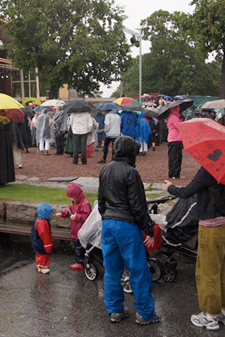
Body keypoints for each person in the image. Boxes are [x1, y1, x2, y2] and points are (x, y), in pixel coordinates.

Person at [165, 168, 225, 331]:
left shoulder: (209, 170)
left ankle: (210, 316)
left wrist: (170, 187)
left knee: (208, 272)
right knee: (224, 271)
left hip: (213, 226)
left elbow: (187, 192)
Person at [98, 136, 160, 326]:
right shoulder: (131, 173)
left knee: (111, 269)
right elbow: (138, 205)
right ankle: (145, 313)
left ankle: (115, 310)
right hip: (126, 225)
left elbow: (101, 200)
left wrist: (106, 216)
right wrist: (148, 228)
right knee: (138, 270)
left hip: (108, 223)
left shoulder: (105, 169)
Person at [55, 182, 92, 270]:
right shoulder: (75, 203)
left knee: (80, 247)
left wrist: (76, 217)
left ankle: (80, 262)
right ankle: (80, 261)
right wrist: (63, 214)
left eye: (71, 197)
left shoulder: (84, 204)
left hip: (82, 231)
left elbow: (87, 217)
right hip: (77, 231)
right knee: (78, 247)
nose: (71, 200)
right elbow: (69, 210)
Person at [31, 203, 54, 274]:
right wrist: (48, 245)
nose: (51, 215)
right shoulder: (43, 222)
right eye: (50, 214)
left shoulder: (39, 220)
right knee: (43, 254)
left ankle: (39, 265)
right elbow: (45, 235)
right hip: (41, 242)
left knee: (39, 253)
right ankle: (42, 266)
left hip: (37, 241)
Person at [167, 106, 183, 179]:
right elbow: (179, 127)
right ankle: (176, 174)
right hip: (176, 139)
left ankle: (171, 173)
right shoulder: (174, 117)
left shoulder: (171, 116)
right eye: (177, 108)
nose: (179, 109)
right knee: (177, 157)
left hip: (172, 139)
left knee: (172, 157)